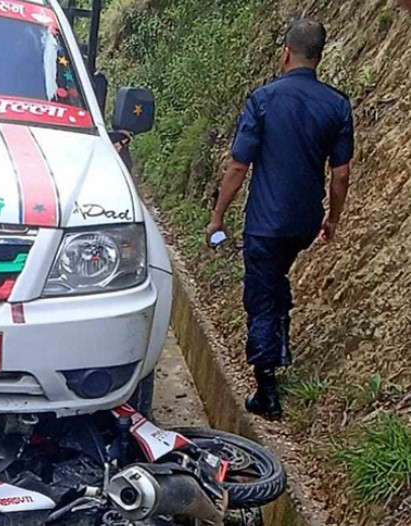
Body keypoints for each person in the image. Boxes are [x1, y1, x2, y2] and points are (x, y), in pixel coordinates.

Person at [205, 19, 354, 420]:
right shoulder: (338, 105)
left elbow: (239, 165)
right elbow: (340, 175)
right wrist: (332, 221)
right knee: (275, 279)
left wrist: (217, 218)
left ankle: (266, 387)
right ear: (319, 56)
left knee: (259, 297)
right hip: (305, 223)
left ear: (286, 51)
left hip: (266, 223)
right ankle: (281, 345)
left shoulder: (264, 100)